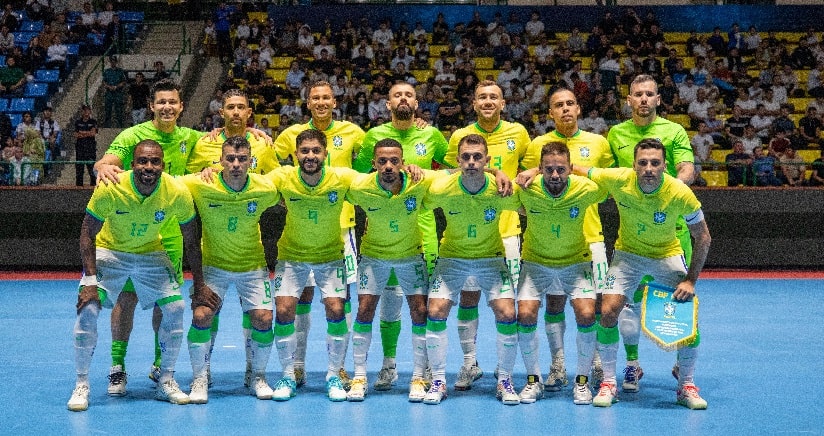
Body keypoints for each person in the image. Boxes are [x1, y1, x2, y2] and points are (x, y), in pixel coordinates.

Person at [94, 79, 267, 395]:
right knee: (127, 298)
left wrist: (250, 133)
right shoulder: (132, 136)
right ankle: (117, 367)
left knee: (166, 299)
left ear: (181, 106)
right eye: (161, 102)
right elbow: (107, 162)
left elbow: (227, 142)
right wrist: (102, 167)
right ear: (151, 106)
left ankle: (161, 366)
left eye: (172, 102)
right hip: (133, 230)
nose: (167, 107)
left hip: (171, 231)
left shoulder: (194, 139)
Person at [574, 138, 711, 410]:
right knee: (608, 310)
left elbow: (703, 237)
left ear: (664, 166)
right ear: (634, 165)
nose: (649, 168)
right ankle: (609, 383)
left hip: (666, 255)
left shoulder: (679, 192)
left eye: (655, 163)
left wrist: (690, 280)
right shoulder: (619, 179)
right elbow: (576, 169)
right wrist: (536, 171)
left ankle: (686, 385)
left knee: (688, 316)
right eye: (643, 163)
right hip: (628, 256)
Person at [67, 140, 204, 411]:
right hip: (111, 251)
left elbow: (191, 239)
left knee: (175, 308)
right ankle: (81, 384)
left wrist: (199, 284)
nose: (148, 167)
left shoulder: (176, 191)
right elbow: (87, 233)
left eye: (154, 162)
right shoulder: (112, 186)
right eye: (143, 161)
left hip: (151, 253)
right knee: (89, 310)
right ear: (132, 165)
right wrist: (90, 281)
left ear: (163, 166)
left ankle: (166, 379)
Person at [353, 82, 448, 392]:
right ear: (388, 104)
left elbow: (452, 171)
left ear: (417, 103)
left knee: (426, 307)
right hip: (382, 234)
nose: (403, 98)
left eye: (409, 94)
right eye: (397, 95)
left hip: (423, 236)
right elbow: (358, 176)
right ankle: (389, 365)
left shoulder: (432, 135)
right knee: (388, 304)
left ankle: (428, 369)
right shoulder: (373, 137)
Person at [520, 87, 615, 393]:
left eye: (570, 103)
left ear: (578, 108)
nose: (565, 109)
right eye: (558, 105)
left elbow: (608, 180)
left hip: (591, 238)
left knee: (594, 306)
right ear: (550, 113)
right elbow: (529, 181)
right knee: (554, 303)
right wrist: (535, 169)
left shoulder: (598, 142)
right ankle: (558, 362)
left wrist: (575, 169)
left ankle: (595, 360)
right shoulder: (537, 144)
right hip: (549, 242)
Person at [272, 80, 365, 389]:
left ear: (334, 101)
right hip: (300, 220)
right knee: (299, 299)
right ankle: (295, 367)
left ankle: (337, 369)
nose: (322, 101)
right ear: (307, 102)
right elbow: (266, 159)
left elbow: (372, 161)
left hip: (341, 224)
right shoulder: (290, 135)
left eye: (327, 97)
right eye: (316, 97)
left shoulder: (353, 132)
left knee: (339, 302)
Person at [606, 74, 695, 394]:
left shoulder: (674, 131)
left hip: (673, 230)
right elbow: (607, 174)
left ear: (659, 99)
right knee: (626, 304)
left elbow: (687, 167)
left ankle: (684, 370)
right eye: (637, 94)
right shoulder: (616, 134)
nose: (643, 99)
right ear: (628, 100)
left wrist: (673, 191)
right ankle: (632, 365)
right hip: (632, 231)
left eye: (649, 94)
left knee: (679, 302)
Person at [441, 80, 531, 392]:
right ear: (474, 104)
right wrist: (495, 172)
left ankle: (505, 373)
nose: (488, 101)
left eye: (494, 96)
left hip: (507, 231)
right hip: (469, 226)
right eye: (482, 97)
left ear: (503, 103)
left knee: (505, 306)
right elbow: (455, 172)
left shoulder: (518, 133)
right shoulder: (459, 136)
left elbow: (530, 172)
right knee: (467, 297)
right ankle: (469, 364)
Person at [422, 133, 520, 406]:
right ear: (457, 160)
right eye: (466, 157)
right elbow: (416, 189)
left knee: (507, 312)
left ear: (487, 160)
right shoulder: (443, 187)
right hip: (451, 258)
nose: (471, 162)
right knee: (435, 310)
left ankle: (505, 380)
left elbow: (529, 204)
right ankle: (439, 380)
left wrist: (505, 174)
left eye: (478, 157)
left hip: (491, 258)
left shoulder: (500, 189)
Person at [180, 136, 280, 403]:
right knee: (202, 316)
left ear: (250, 161)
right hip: (214, 267)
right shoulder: (201, 183)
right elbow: (165, 182)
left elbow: (290, 185)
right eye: (230, 159)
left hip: (252, 266)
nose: (236, 164)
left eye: (242, 159)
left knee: (263, 319)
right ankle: (201, 378)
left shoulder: (264, 188)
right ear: (220, 160)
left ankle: (257, 375)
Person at [344, 139, 431, 402]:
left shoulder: (420, 182)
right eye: (382, 161)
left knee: (420, 311)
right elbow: (330, 176)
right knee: (364, 310)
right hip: (374, 257)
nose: (389, 166)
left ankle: (418, 377)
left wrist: (496, 172)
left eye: (395, 161)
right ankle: (359, 376)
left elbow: (456, 173)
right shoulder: (360, 186)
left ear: (403, 163)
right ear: (374, 164)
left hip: (411, 255)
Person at [74, 104, 98, 186]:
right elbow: (76, 135)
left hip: (90, 148)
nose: (86, 112)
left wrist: (83, 132)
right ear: (82, 111)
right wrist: (88, 132)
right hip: (80, 148)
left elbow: (93, 133)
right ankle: (78, 188)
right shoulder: (78, 122)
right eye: (84, 110)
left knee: (92, 169)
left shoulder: (93, 122)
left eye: (88, 110)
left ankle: (93, 187)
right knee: (79, 170)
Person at [102, 56, 128, 128]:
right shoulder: (107, 71)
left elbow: (123, 82)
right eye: (111, 61)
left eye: (114, 61)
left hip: (118, 93)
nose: (113, 62)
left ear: (116, 62)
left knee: (118, 109)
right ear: (110, 62)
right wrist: (108, 86)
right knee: (108, 109)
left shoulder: (120, 71)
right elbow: (104, 82)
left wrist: (116, 86)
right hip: (109, 93)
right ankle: (107, 126)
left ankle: (119, 126)